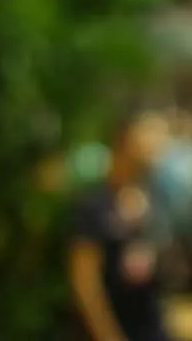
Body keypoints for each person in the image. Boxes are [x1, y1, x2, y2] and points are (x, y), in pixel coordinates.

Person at [70, 108, 172, 341]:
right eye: (149, 133)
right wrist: (108, 335)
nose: (158, 143)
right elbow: (85, 283)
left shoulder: (154, 200)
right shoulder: (95, 205)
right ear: (124, 140)